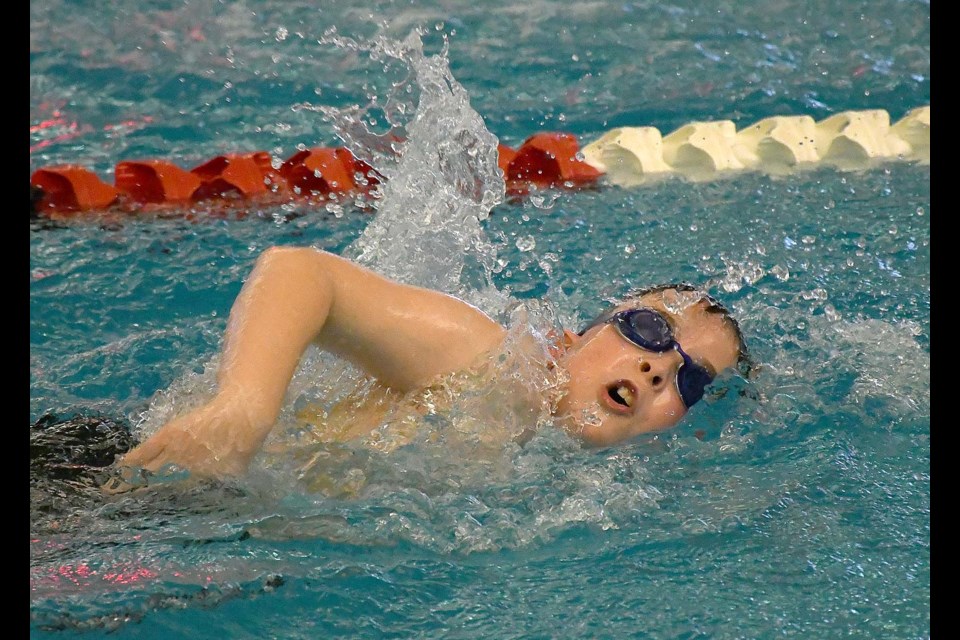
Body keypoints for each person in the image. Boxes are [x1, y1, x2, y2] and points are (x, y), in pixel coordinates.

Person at [114, 245, 749, 483]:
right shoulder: (489, 363)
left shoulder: (581, 493)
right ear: (566, 341)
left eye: (692, 379)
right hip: (125, 479)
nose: (661, 367)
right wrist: (243, 407)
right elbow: (301, 272)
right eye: (650, 329)